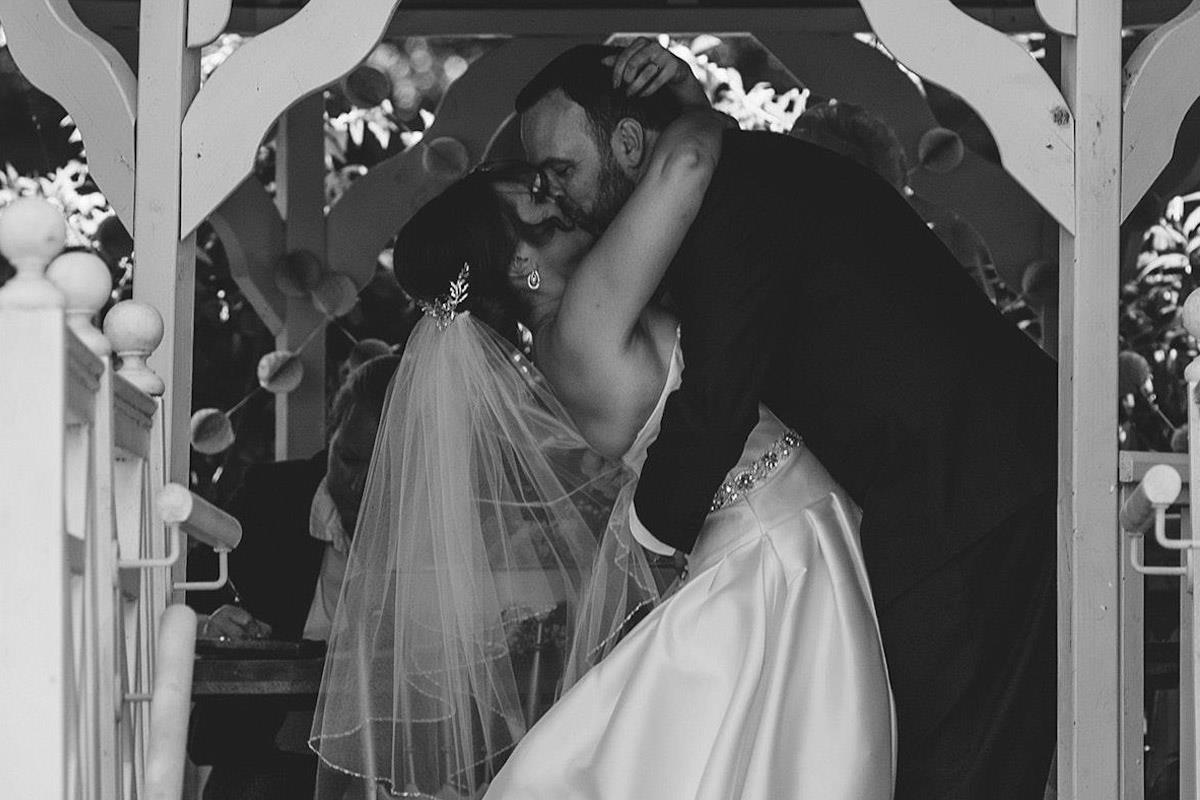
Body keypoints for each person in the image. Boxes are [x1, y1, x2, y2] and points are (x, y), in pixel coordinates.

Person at [311, 39, 894, 800]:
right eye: (537, 198)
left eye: (552, 182)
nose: (559, 199)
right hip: (775, 546)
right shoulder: (585, 319)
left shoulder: (572, 330)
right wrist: (688, 106)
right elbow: (685, 166)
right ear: (521, 265)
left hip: (759, 534)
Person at [516, 41, 1056, 799]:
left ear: (632, 144)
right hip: (942, 491)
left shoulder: (733, 199)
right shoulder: (727, 189)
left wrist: (648, 553)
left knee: (960, 769)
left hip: (974, 482)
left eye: (560, 171)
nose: (554, 196)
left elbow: (717, 400)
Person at [187, 354, 401, 800]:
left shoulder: (440, 522)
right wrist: (214, 620)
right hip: (268, 741)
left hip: (390, 744)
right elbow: (189, 586)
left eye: (384, 469)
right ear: (331, 434)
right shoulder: (270, 495)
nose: (360, 483)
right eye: (350, 458)